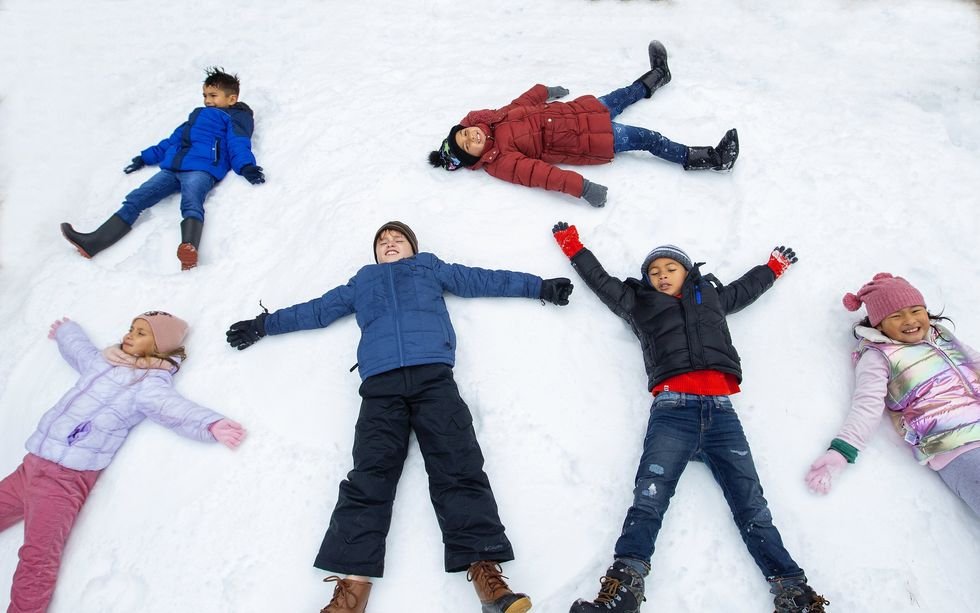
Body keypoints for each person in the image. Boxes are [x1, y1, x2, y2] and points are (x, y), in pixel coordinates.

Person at [225, 221, 573, 613]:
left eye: (398, 239)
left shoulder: (430, 267)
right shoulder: (362, 282)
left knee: (458, 466)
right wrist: (263, 325)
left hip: (433, 379)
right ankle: (351, 593)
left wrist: (538, 286)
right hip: (380, 389)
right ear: (375, 254)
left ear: (412, 247)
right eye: (382, 241)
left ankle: (487, 576)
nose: (390, 243)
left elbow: (481, 279)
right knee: (369, 476)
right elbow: (318, 310)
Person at [549, 222, 828, 613]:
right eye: (654, 272)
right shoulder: (639, 302)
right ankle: (624, 590)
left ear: (687, 271)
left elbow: (744, 291)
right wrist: (574, 247)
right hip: (672, 412)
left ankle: (794, 592)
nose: (662, 276)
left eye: (670, 268)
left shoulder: (710, 296)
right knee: (649, 498)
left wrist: (773, 267)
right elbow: (602, 283)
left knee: (752, 504)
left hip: (722, 415)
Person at [0, 311, 246, 612]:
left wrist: (210, 424)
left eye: (142, 332)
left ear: (160, 345)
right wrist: (67, 331)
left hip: (64, 480)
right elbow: (80, 350)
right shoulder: (103, 361)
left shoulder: (150, 382)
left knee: (37, 557)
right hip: (31, 465)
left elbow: (171, 408)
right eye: (131, 328)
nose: (130, 334)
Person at [428, 41, 738, 208]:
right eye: (469, 146)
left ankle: (658, 77)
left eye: (464, 134)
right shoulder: (501, 162)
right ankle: (710, 159)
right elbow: (542, 175)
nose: (472, 137)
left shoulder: (496, 119)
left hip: (580, 111)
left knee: (623, 94)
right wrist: (583, 189)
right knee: (649, 138)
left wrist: (544, 93)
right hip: (586, 140)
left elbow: (521, 103)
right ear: (476, 157)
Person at [805, 273, 980, 516]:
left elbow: (975, 362)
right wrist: (842, 450)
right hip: (957, 447)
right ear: (878, 325)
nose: (909, 320)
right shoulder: (878, 357)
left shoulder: (941, 336)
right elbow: (867, 405)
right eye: (896, 316)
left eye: (916, 310)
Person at [60, 67, 265, 271]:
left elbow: (238, 143)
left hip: (202, 169)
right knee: (136, 198)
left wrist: (246, 166)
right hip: (172, 169)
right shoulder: (195, 117)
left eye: (213, 95)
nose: (207, 100)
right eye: (204, 95)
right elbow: (171, 141)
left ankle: (189, 250)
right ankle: (93, 242)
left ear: (231, 99)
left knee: (191, 203)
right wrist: (145, 157)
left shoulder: (235, 118)